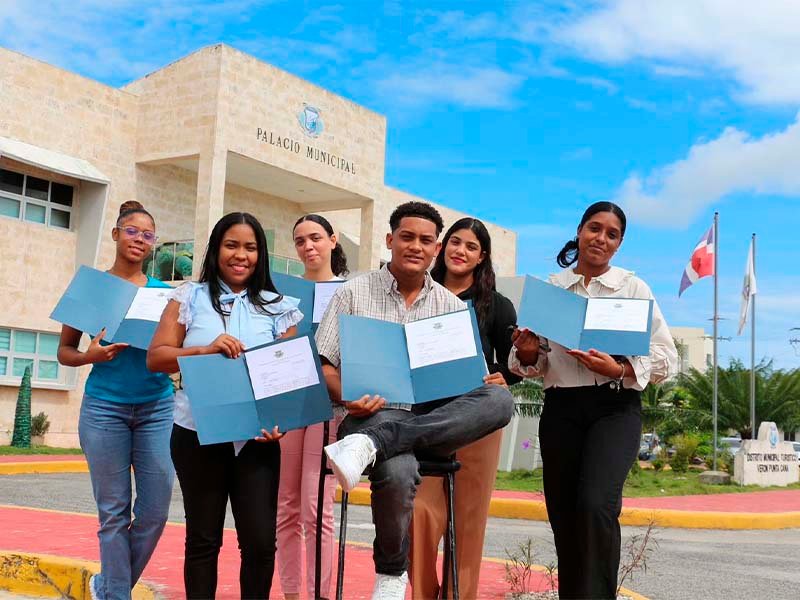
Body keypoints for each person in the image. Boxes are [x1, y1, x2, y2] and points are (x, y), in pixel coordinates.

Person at [316, 201, 515, 600]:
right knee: (398, 472)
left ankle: (376, 444)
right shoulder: (354, 290)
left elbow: (465, 384)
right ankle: (392, 574)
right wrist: (349, 397)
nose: (415, 246)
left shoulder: (451, 306)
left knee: (500, 400)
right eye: (407, 237)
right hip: (368, 413)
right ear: (390, 240)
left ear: (435, 249)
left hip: (429, 420)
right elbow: (324, 368)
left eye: (426, 240)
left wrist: (486, 382)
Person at [509, 201, 678, 599]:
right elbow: (527, 366)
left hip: (615, 408)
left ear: (618, 244)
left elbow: (668, 358)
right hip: (562, 409)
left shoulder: (633, 289)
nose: (601, 238)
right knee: (565, 515)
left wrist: (617, 369)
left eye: (612, 233)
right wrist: (530, 350)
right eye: (594, 228)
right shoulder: (551, 291)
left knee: (595, 504)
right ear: (580, 231)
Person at [147, 212, 302, 599]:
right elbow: (157, 357)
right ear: (216, 249)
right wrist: (204, 349)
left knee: (261, 543)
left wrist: (279, 421)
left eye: (250, 247)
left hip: (258, 439)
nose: (240, 255)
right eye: (231, 245)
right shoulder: (189, 297)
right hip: (196, 432)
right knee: (203, 539)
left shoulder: (279, 307)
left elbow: (287, 378)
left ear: (260, 254)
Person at [57, 200, 174, 600]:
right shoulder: (92, 287)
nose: (139, 239)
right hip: (104, 406)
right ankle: (116, 596)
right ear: (116, 234)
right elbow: (65, 352)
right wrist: (93, 355)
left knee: (156, 511)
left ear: (154, 243)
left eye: (147, 234)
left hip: (157, 406)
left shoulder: (165, 294)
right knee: (113, 514)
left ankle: (107, 587)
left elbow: (176, 348)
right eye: (132, 231)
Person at [410, 217, 521, 599]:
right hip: (426, 419)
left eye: (471, 246)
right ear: (442, 247)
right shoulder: (418, 293)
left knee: (469, 525)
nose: (461, 251)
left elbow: (516, 363)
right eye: (455, 242)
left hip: (479, 423)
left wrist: (505, 376)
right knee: (419, 514)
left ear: (482, 257)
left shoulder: (498, 305)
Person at [276, 214, 348, 600]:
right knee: (286, 508)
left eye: (316, 238)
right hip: (289, 405)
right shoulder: (283, 294)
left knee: (316, 508)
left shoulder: (349, 292)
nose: (309, 247)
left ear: (333, 241)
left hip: (328, 409)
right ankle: (291, 594)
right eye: (300, 240)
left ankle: (320, 594)